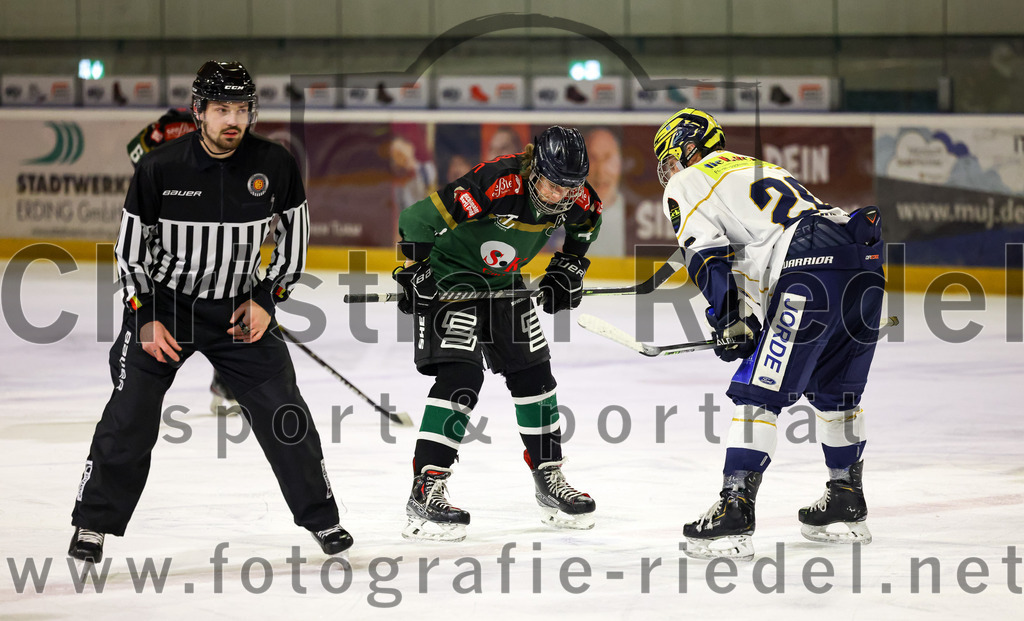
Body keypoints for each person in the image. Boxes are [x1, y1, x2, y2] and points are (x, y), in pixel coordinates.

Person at [68, 60, 352, 563]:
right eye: (222, 109)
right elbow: (130, 254)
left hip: (239, 310)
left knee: (285, 411)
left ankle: (322, 517)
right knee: (130, 413)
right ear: (199, 111)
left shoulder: (277, 165)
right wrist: (145, 315)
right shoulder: (160, 166)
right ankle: (94, 524)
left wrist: (266, 301)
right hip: (166, 308)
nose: (233, 121)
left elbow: (293, 248)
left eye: (243, 109)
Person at [652, 108, 885, 561]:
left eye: (669, 160)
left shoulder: (689, 181)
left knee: (759, 392)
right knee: (838, 396)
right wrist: (742, 313)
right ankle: (846, 498)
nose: (669, 173)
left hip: (808, 269)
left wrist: (728, 317)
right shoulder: (759, 168)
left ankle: (734, 510)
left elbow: (705, 251)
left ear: (686, 148)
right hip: (862, 264)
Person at [394, 126, 602, 541]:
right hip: (450, 278)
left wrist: (568, 267)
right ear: (534, 168)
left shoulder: (579, 197)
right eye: (553, 184)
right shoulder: (498, 182)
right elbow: (415, 219)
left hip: (505, 283)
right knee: (461, 378)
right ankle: (426, 486)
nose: (561, 196)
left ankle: (549, 477)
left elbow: (586, 228)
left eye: (570, 188)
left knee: (535, 376)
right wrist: (415, 272)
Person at [126, 106, 239, 412]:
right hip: (172, 226)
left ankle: (224, 384)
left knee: (227, 307)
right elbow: (137, 152)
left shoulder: (168, 123)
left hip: (196, 224)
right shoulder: (173, 124)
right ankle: (137, 390)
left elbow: (135, 150)